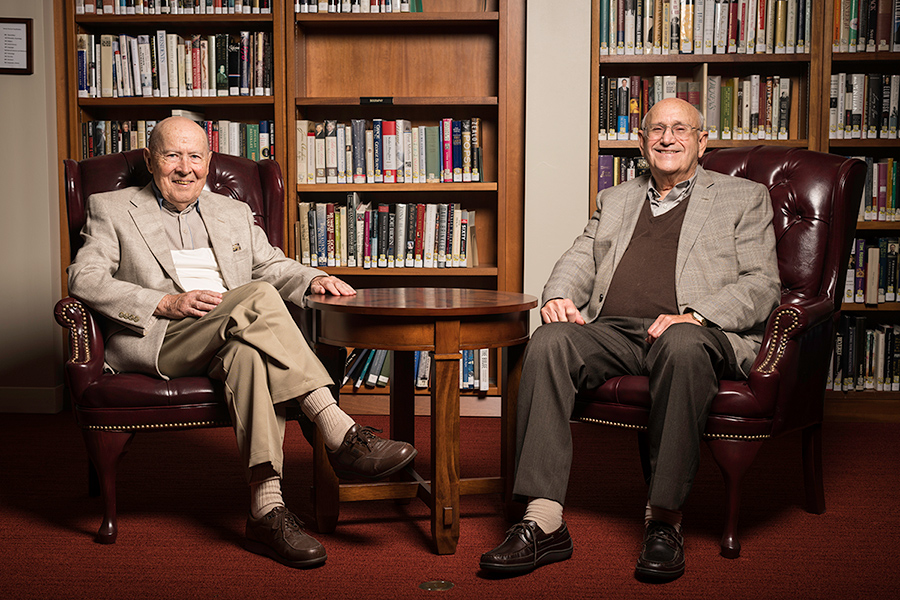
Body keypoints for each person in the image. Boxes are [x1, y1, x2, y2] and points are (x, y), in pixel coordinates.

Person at [68, 116, 417, 569]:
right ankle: (335, 429)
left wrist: (318, 277)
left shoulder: (229, 211)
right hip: (162, 339)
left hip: (233, 331)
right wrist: (163, 302)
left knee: (249, 353)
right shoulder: (112, 207)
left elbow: (272, 266)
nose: (185, 167)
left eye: (195, 156)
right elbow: (85, 277)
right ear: (151, 159)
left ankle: (266, 512)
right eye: (173, 155)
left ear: (209, 163)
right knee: (257, 298)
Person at [479, 98, 780, 581]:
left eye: (681, 129)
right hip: (616, 330)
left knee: (681, 346)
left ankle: (664, 521)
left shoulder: (742, 197)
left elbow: (762, 283)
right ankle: (543, 520)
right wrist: (558, 298)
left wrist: (695, 316)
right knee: (549, 341)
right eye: (657, 129)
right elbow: (579, 258)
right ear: (641, 142)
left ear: (702, 142)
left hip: (698, 333)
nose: (668, 138)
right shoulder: (616, 198)